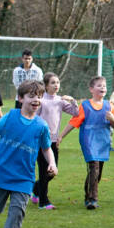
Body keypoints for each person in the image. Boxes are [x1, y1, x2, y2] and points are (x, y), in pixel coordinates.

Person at [0, 80, 56, 228]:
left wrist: (52, 163)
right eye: (31, 96)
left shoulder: (41, 126)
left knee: (16, 214)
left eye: (39, 96)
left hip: (24, 178)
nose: (36, 100)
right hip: (0, 173)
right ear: (20, 98)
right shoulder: (10, 117)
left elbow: (46, 148)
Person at [59, 76, 114, 209]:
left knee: (98, 172)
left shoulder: (109, 106)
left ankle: (88, 196)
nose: (102, 88)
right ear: (91, 89)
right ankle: (93, 200)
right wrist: (61, 136)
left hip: (103, 141)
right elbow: (74, 122)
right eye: (99, 85)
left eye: (104, 86)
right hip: (88, 140)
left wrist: (112, 118)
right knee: (94, 167)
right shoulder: (85, 105)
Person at [32, 73, 78, 209]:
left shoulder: (60, 101)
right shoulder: (41, 101)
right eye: (53, 83)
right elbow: (34, 119)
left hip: (54, 142)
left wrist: (72, 100)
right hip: (41, 141)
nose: (56, 85)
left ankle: (35, 189)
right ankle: (43, 202)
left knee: (52, 171)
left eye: (57, 82)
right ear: (46, 86)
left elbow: (76, 113)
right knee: (43, 170)